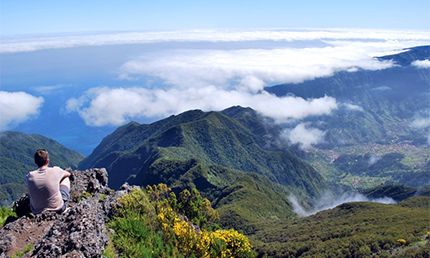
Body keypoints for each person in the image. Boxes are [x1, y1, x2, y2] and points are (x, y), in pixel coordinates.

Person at [25, 149, 71, 214]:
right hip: (58, 209)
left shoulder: (29, 175)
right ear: (47, 161)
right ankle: (65, 202)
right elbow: (68, 174)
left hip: (37, 211)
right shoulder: (55, 171)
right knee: (66, 178)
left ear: (35, 162)